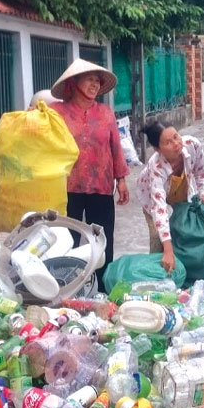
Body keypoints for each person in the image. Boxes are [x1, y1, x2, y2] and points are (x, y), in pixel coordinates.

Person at [50, 58, 130, 287]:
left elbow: (115, 147)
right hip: (68, 187)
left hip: (101, 187)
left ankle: (102, 287)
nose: (95, 85)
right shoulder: (57, 112)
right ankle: (65, 286)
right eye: (89, 80)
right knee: (67, 240)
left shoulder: (105, 113)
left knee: (102, 240)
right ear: (74, 82)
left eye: (97, 81)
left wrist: (121, 180)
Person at [136, 121, 204, 273]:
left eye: (176, 136)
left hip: (181, 190)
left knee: (185, 229)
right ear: (158, 149)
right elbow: (159, 209)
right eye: (168, 142)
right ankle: (157, 274)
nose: (176, 143)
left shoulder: (192, 145)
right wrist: (167, 250)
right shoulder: (156, 167)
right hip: (152, 198)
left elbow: (201, 173)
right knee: (158, 239)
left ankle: (187, 269)